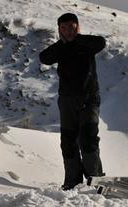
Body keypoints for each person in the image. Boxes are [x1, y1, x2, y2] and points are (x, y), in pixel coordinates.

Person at [39, 13, 106, 190]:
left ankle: (95, 181)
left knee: (88, 138)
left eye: (72, 26)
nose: (69, 30)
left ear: (78, 26)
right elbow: (44, 58)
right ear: (59, 29)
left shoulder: (86, 44)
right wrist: (63, 43)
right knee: (68, 141)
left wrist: (78, 39)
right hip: (67, 100)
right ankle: (72, 182)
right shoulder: (60, 48)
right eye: (64, 27)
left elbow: (101, 42)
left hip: (88, 98)